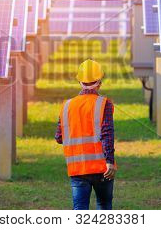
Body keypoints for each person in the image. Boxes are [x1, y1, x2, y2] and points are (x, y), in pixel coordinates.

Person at [55, 59, 116, 210]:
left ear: (80, 82)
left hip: (77, 168)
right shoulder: (104, 103)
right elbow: (107, 134)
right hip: (102, 167)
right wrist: (110, 161)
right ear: (99, 82)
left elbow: (59, 137)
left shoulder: (66, 106)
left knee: (80, 209)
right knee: (103, 205)